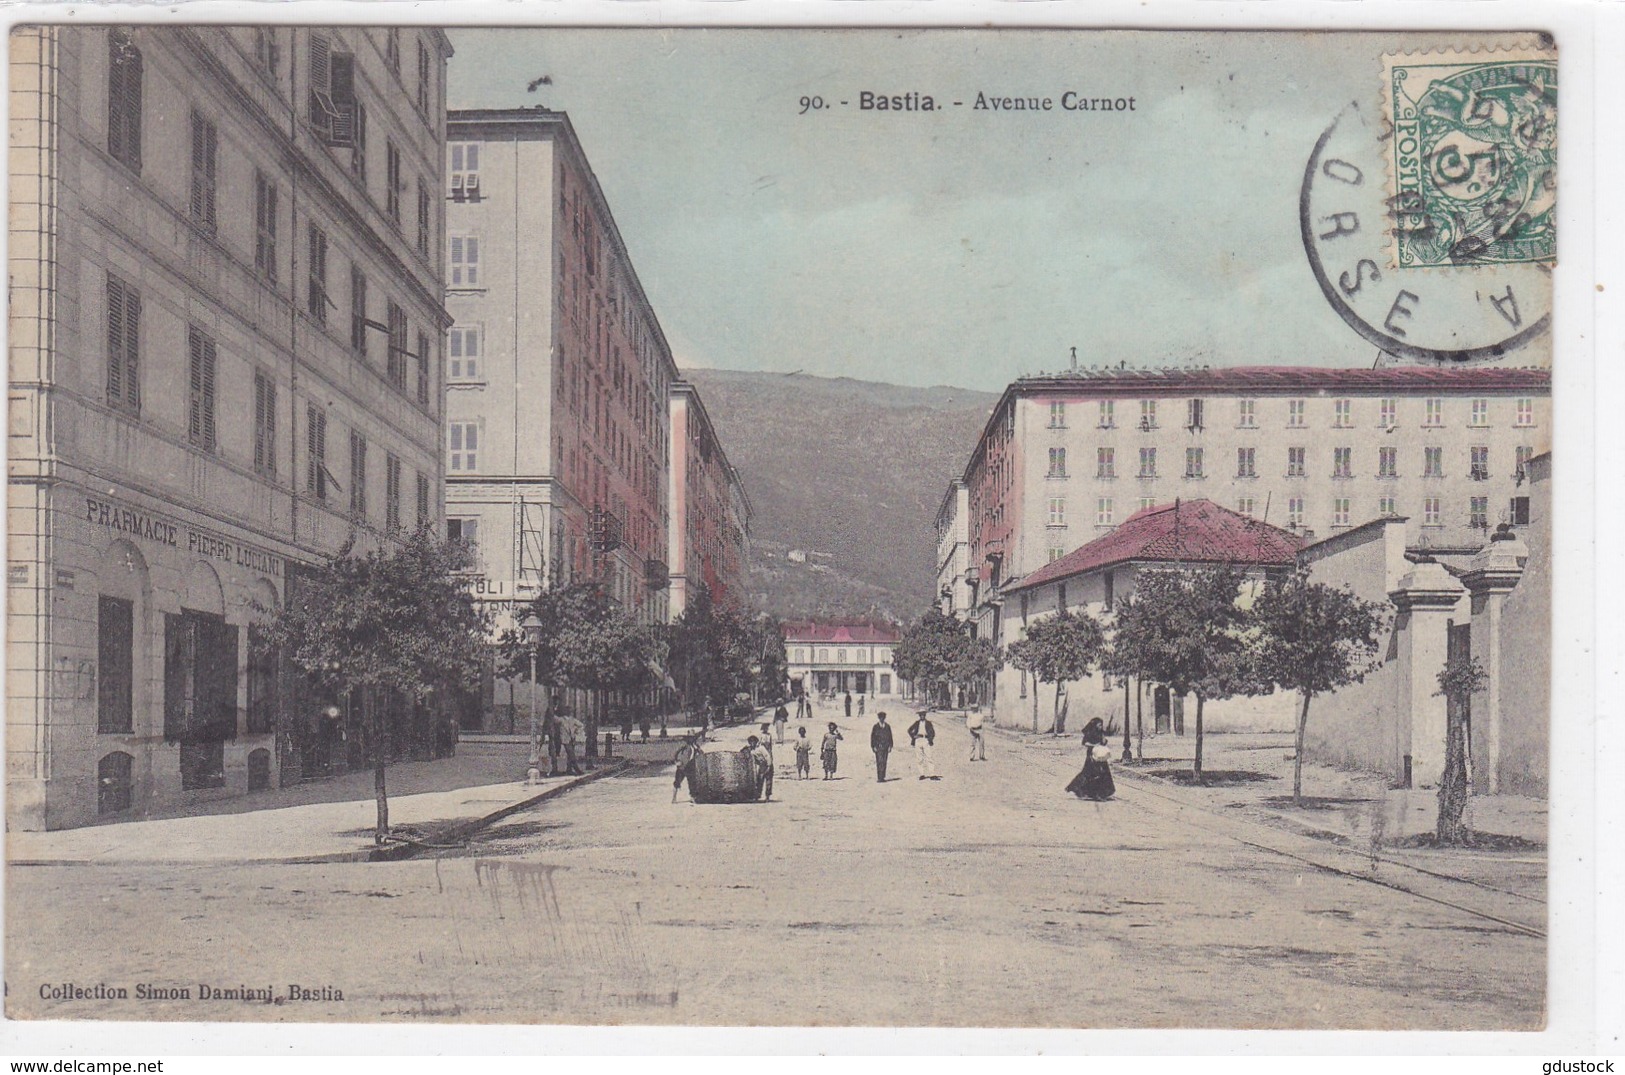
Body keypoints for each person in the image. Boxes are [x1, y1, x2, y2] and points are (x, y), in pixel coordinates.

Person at [1066, 717, 1116, 801]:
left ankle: (1102, 793)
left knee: (1103, 773)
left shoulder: (1100, 732)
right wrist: (1094, 745)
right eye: (1099, 725)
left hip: (1100, 755)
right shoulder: (1089, 733)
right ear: (1095, 725)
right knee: (1091, 773)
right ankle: (1095, 794)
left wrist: (1103, 739)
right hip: (1091, 756)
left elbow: (1103, 742)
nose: (1101, 727)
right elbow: (1085, 743)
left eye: (1101, 725)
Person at [908, 710, 938, 780]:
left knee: (929, 756)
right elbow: (909, 730)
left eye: (923, 715)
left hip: (925, 740)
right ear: (919, 716)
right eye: (921, 715)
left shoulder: (928, 723)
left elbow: (933, 733)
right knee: (919, 758)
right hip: (918, 740)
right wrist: (913, 736)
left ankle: (932, 774)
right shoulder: (916, 723)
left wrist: (930, 739)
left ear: (925, 715)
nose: (922, 716)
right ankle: (922, 774)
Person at [672, 734, 703, 803]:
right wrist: (676, 761)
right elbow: (676, 753)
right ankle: (674, 798)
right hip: (682, 767)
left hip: (690, 767)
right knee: (677, 782)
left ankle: (693, 797)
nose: (692, 740)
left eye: (693, 738)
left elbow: (701, 754)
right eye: (690, 738)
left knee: (692, 782)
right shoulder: (684, 746)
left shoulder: (696, 747)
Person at [742, 735, 774, 802]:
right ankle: (757, 796)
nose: (752, 743)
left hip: (767, 764)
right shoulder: (751, 750)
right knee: (759, 780)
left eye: (753, 742)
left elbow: (767, 756)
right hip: (761, 766)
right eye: (750, 742)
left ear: (756, 742)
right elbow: (742, 752)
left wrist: (769, 766)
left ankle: (767, 796)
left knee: (768, 782)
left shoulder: (761, 748)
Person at [559, 709, 584, 776]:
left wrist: (576, 731)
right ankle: (577, 769)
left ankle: (569, 770)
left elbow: (581, 725)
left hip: (572, 739)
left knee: (570, 755)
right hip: (565, 739)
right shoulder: (561, 720)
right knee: (571, 755)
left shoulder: (572, 720)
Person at [870, 712, 894, 782]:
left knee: (884, 761)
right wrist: (873, 746)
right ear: (879, 718)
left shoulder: (887, 726)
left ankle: (883, 776)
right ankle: (879, 777)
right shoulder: (875, 727)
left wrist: (890, 746)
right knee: (879, 761)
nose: (881, 719)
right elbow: (872, 737)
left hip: (886, 746)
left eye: (883, 718)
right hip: (878, 747)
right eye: (880, 718)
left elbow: (890, 737)